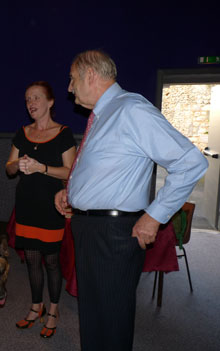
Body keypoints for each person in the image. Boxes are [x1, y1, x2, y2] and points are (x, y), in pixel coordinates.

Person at [55, 50, 208, 351]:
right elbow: (107, 170)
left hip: (112, 235)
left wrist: (154, 216)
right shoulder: (103, 114)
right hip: (91, 229)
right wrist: (72, 192)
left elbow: (191, 162)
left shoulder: (130, 109)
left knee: (111, 321)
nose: (69, 88)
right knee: (94, 317)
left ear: (90, 75)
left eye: (72, 79)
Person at [6, 81, 76, 338]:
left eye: (36, 98)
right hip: (26, 205)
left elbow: (71, 172)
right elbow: (9, 167)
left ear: (50, 102)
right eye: (27, 99)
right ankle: (36, 306)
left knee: (51, 261)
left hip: (51, 207)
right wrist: (19, 164)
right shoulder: (22, 132)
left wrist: (41, 168)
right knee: (32, 260)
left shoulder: (63, 133)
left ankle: (53, 311)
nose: (31, 103)